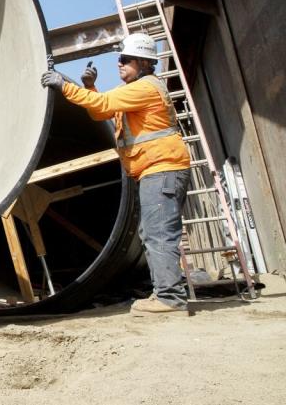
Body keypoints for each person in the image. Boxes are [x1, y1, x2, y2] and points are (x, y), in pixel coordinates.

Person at [41, 32, 192, 316]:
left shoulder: (144, 88)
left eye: (126, 59)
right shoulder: (138, 91)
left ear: (145, 63)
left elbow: (102, 106)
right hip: (156, 170)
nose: (119, 64)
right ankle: (165, 294)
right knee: (152, 232)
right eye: (119, 59)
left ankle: (170, 299)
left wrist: (64, 84)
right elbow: (101, 114)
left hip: (161, 169)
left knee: (159, 233)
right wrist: (90, 87)